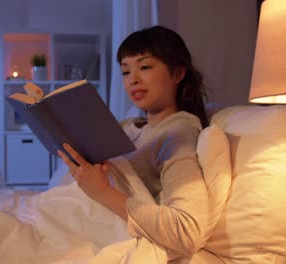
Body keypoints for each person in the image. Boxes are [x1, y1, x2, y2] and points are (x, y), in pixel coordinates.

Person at [58, 25, 210, 257]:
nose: (133, 80)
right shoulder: (127, 126)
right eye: (126, 71)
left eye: (145, 67)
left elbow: (187, 231)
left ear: (178, 73)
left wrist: (101, 192)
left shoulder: (177, 132)